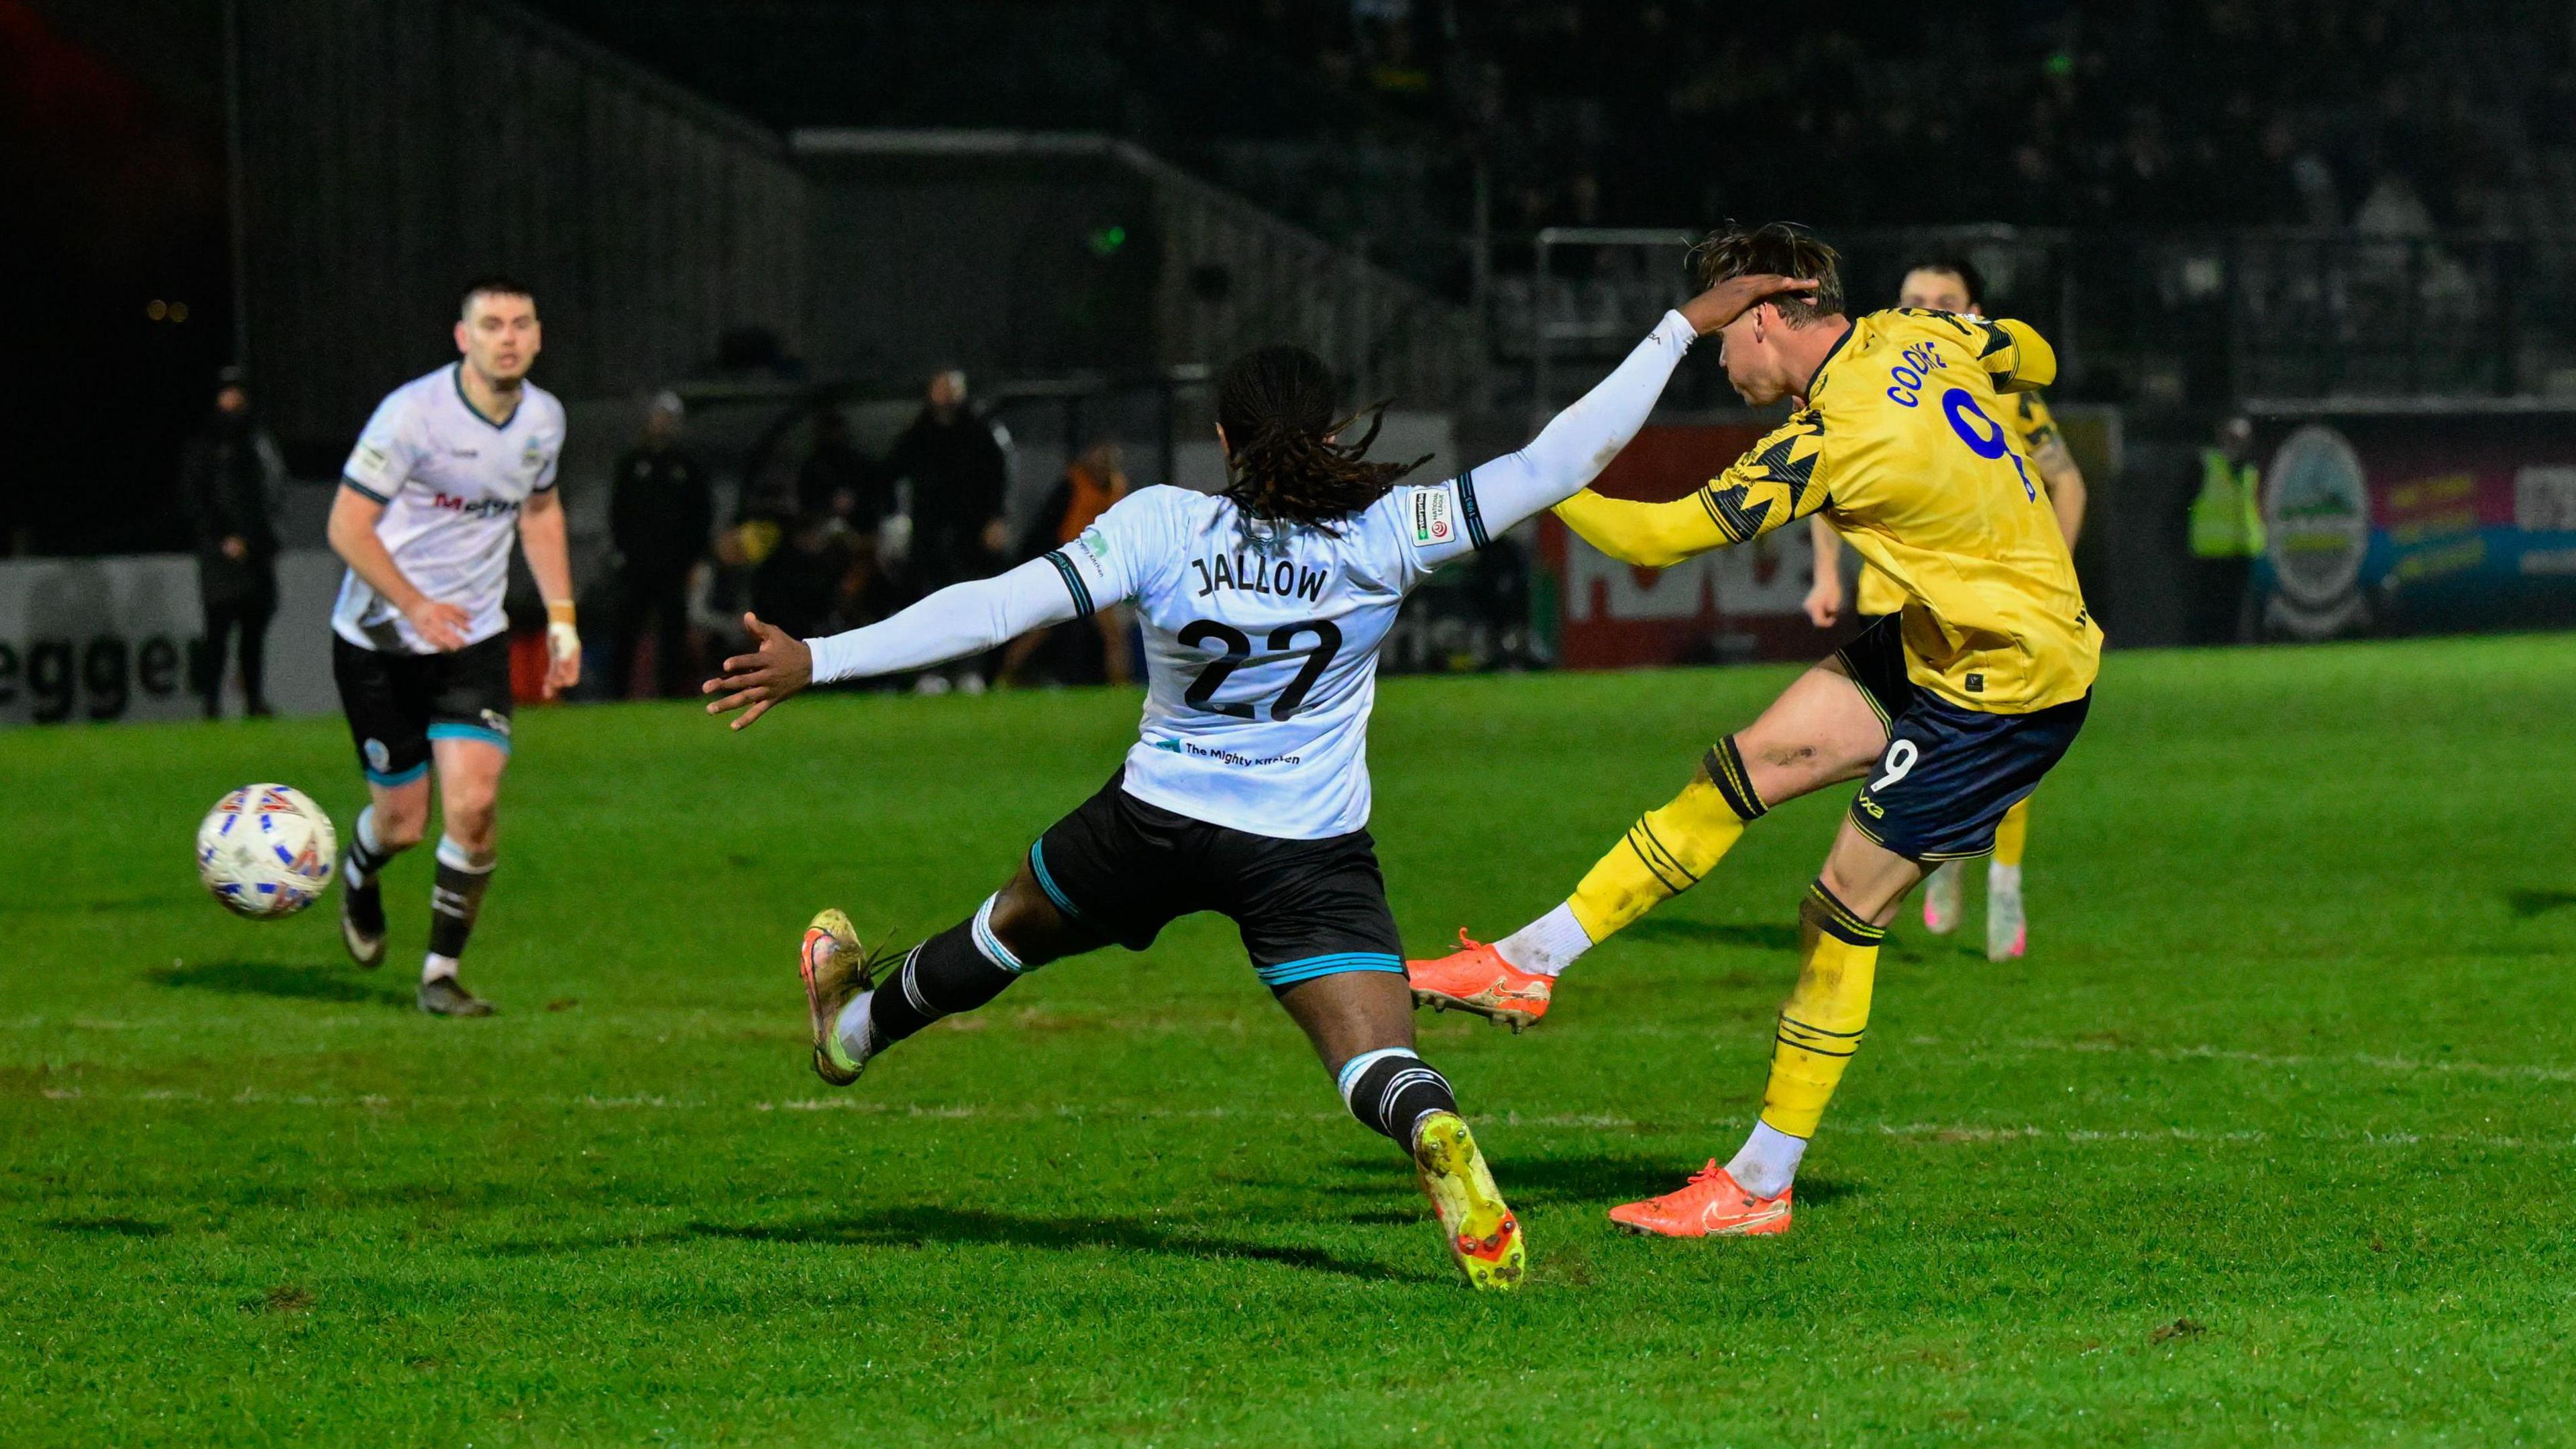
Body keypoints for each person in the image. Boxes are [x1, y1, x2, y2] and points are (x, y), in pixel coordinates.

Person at [698, 269, 1806, 1289]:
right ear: (1329, 433)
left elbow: (997, 606)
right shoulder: (1389, 530)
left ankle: (854, 1036)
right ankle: (1426, 1123)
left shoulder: (1166, 528)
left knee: (1012, 927)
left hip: (1154, 823)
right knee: (1374, 1053)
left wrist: (821, 657)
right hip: (1307, 845)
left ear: (1224, 437)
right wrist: (1677, 325)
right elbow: (1563, 461)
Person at [1408, 224, 2098, 1238]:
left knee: (1839, 913)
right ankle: (1531, 959)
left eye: (1716, 337)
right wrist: (1980, 339)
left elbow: (1659, 536)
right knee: (1743, 767)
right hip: (1942, 640)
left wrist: (1533, 486)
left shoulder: (1831, 437)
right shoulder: (1922, 333)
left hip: (2007, 685)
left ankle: (1761, 1185)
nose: (1717, 361)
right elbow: (2034, 356)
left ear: (1764, 316)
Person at [1804, 258, 2088, 961]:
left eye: (1945, 301)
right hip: (1895, 602)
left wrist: (2055, 575)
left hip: (1989, 613)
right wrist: (1824, 575)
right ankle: (1933, 866)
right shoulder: (1871, 390)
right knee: (1915, 753)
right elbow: (1822, 480)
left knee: (1994, 745)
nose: (1928, 310)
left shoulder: (2006, 396)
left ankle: (2004, 884)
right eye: (1914, 300)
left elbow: (2069, 484)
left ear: (1976, 314)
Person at [325, 278, 582, 1017]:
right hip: (377, 643)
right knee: (403, 824)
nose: (508, 337)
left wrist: (562, 620)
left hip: (471, 643)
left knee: (473, 807)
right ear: (462, 337)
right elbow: (346, 527)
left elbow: (539, 512)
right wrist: (412, 604)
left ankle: (439, 974)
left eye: (522, 323)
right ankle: (361, 870)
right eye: (492, 324)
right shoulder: (412, 415)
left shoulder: (543, 419)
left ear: (537, 337)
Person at [883, 369, 1009, 693]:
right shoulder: (919, 432)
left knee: (972, 602)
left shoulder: (979, 432)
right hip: (929, 534)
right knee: (928, 604)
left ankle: (970, 670)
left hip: (970, 533)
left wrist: (996, 518)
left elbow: (998, 477)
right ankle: (929, 672)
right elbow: (890, 472)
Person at [180, 366, 287, 718]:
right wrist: (221, 539)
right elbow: (196, 500)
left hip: (256, 554)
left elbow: (270, 496)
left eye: (238, 391)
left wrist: (257, 540)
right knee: (217, 633)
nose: (234, 398)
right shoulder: (204, 446)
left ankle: (254, 701)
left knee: (253, 633)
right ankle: (210, 705)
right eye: (228, 391)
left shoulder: (258, 443)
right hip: (220, 557)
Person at [998, 439, 1135, 687]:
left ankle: (1119, 686)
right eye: (1099, 455)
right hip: (1065, 567)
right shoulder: (1072, 485)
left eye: (1108, 458)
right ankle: (1003, 677)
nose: (1102, 462)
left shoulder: (1116, 488)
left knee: (1114, 634)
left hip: (1096, 569)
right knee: (1041, 629)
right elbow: (1050, 530)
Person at [605, 392, 714, 698]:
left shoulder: (688, 467)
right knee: (626, 628)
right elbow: (619, 512)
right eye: (659, 416)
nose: (663, 423)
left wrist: (695, 558)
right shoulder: (632, 465)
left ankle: (671, 693)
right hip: (636, 565)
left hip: (675, 566)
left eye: (669, 418)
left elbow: (702, 515)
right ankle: (616, 693)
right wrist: (622, 552)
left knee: (673, 633)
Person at [2189, 417, 2264, 644]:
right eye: (2232, 437)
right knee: (2209, 610)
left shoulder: (2251, 469)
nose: (2237, 443)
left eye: (2242, 439)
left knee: (2239, 611)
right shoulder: (2206, 464)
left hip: (2243, 549)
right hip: (2210, 551)